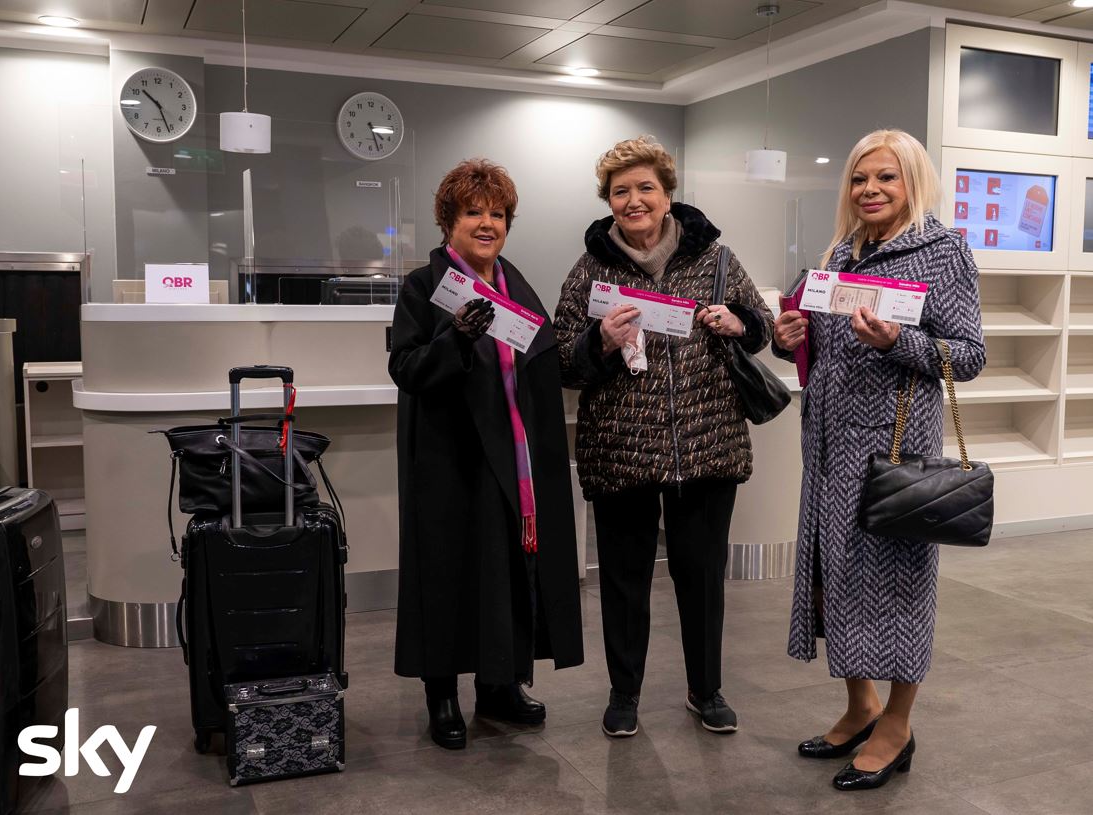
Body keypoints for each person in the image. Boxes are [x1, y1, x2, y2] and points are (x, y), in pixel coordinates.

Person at [773, 129, 985, 791]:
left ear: (911, 182)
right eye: (860, 179)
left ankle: (895, 722)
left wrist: (900, 340)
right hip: (829, 450)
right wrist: (789, 340)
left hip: (894, 453)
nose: (869, 190)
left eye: (885, 178)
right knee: (835, 579)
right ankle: (859, 703)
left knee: (894, 588)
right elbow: (819, 345)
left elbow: (967, 355)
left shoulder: (942, 252)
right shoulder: (840, 252)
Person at [554, 135, 775, 738]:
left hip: (707, 445)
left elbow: (761, 328)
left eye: (645, 187)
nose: (634, 200)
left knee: (701, 580)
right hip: (621, 450)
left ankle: (707, 691)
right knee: (623, 583)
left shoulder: (717, 260)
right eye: (620, 191)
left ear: (667, 193)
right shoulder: (590, 268)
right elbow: (560, 363)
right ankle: (624, 694)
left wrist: (738, 321)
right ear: (608, 200)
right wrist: (598, 341)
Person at [389, 159, 584, 751]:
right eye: (473, 212)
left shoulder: (515, 283)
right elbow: (406, 368)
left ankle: (500, 684)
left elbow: (545, 359)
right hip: (448, 461)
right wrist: (457, 338)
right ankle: (442, 693)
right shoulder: (424, 288)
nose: (486, 223)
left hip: (511, 458)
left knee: (505, 570)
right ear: (449, 220)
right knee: (447, 570)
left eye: (497, 214)